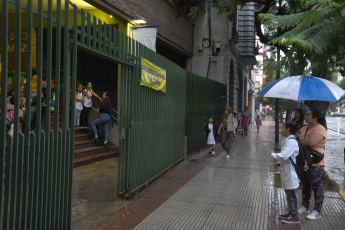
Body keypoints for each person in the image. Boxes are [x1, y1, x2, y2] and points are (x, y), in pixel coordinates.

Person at [297, 108, 327, 220]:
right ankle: (305, 206)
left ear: (315, 117)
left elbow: (311, 142)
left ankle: (317, 211)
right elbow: (297, 138)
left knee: (317, 186)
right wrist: (303, 139)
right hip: (305, 162)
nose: (305, 116)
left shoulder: (320, 128)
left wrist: (302, 139)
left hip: (316, 163)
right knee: (305, 185)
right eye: (305, 114)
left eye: (308, 115)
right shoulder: (304, 128)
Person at [270, 122, 300, 224]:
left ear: (288, 129)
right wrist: (278, 164)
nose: (281, 129)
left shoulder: (291, 142)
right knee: (288, 194)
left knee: (292, 194)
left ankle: (295, 216)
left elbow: (284, 155)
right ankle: (291, 212)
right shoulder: (288, 141)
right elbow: (287, 157)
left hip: (290, 173)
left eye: (283, 127)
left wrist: (273, 154)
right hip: (286, 171)